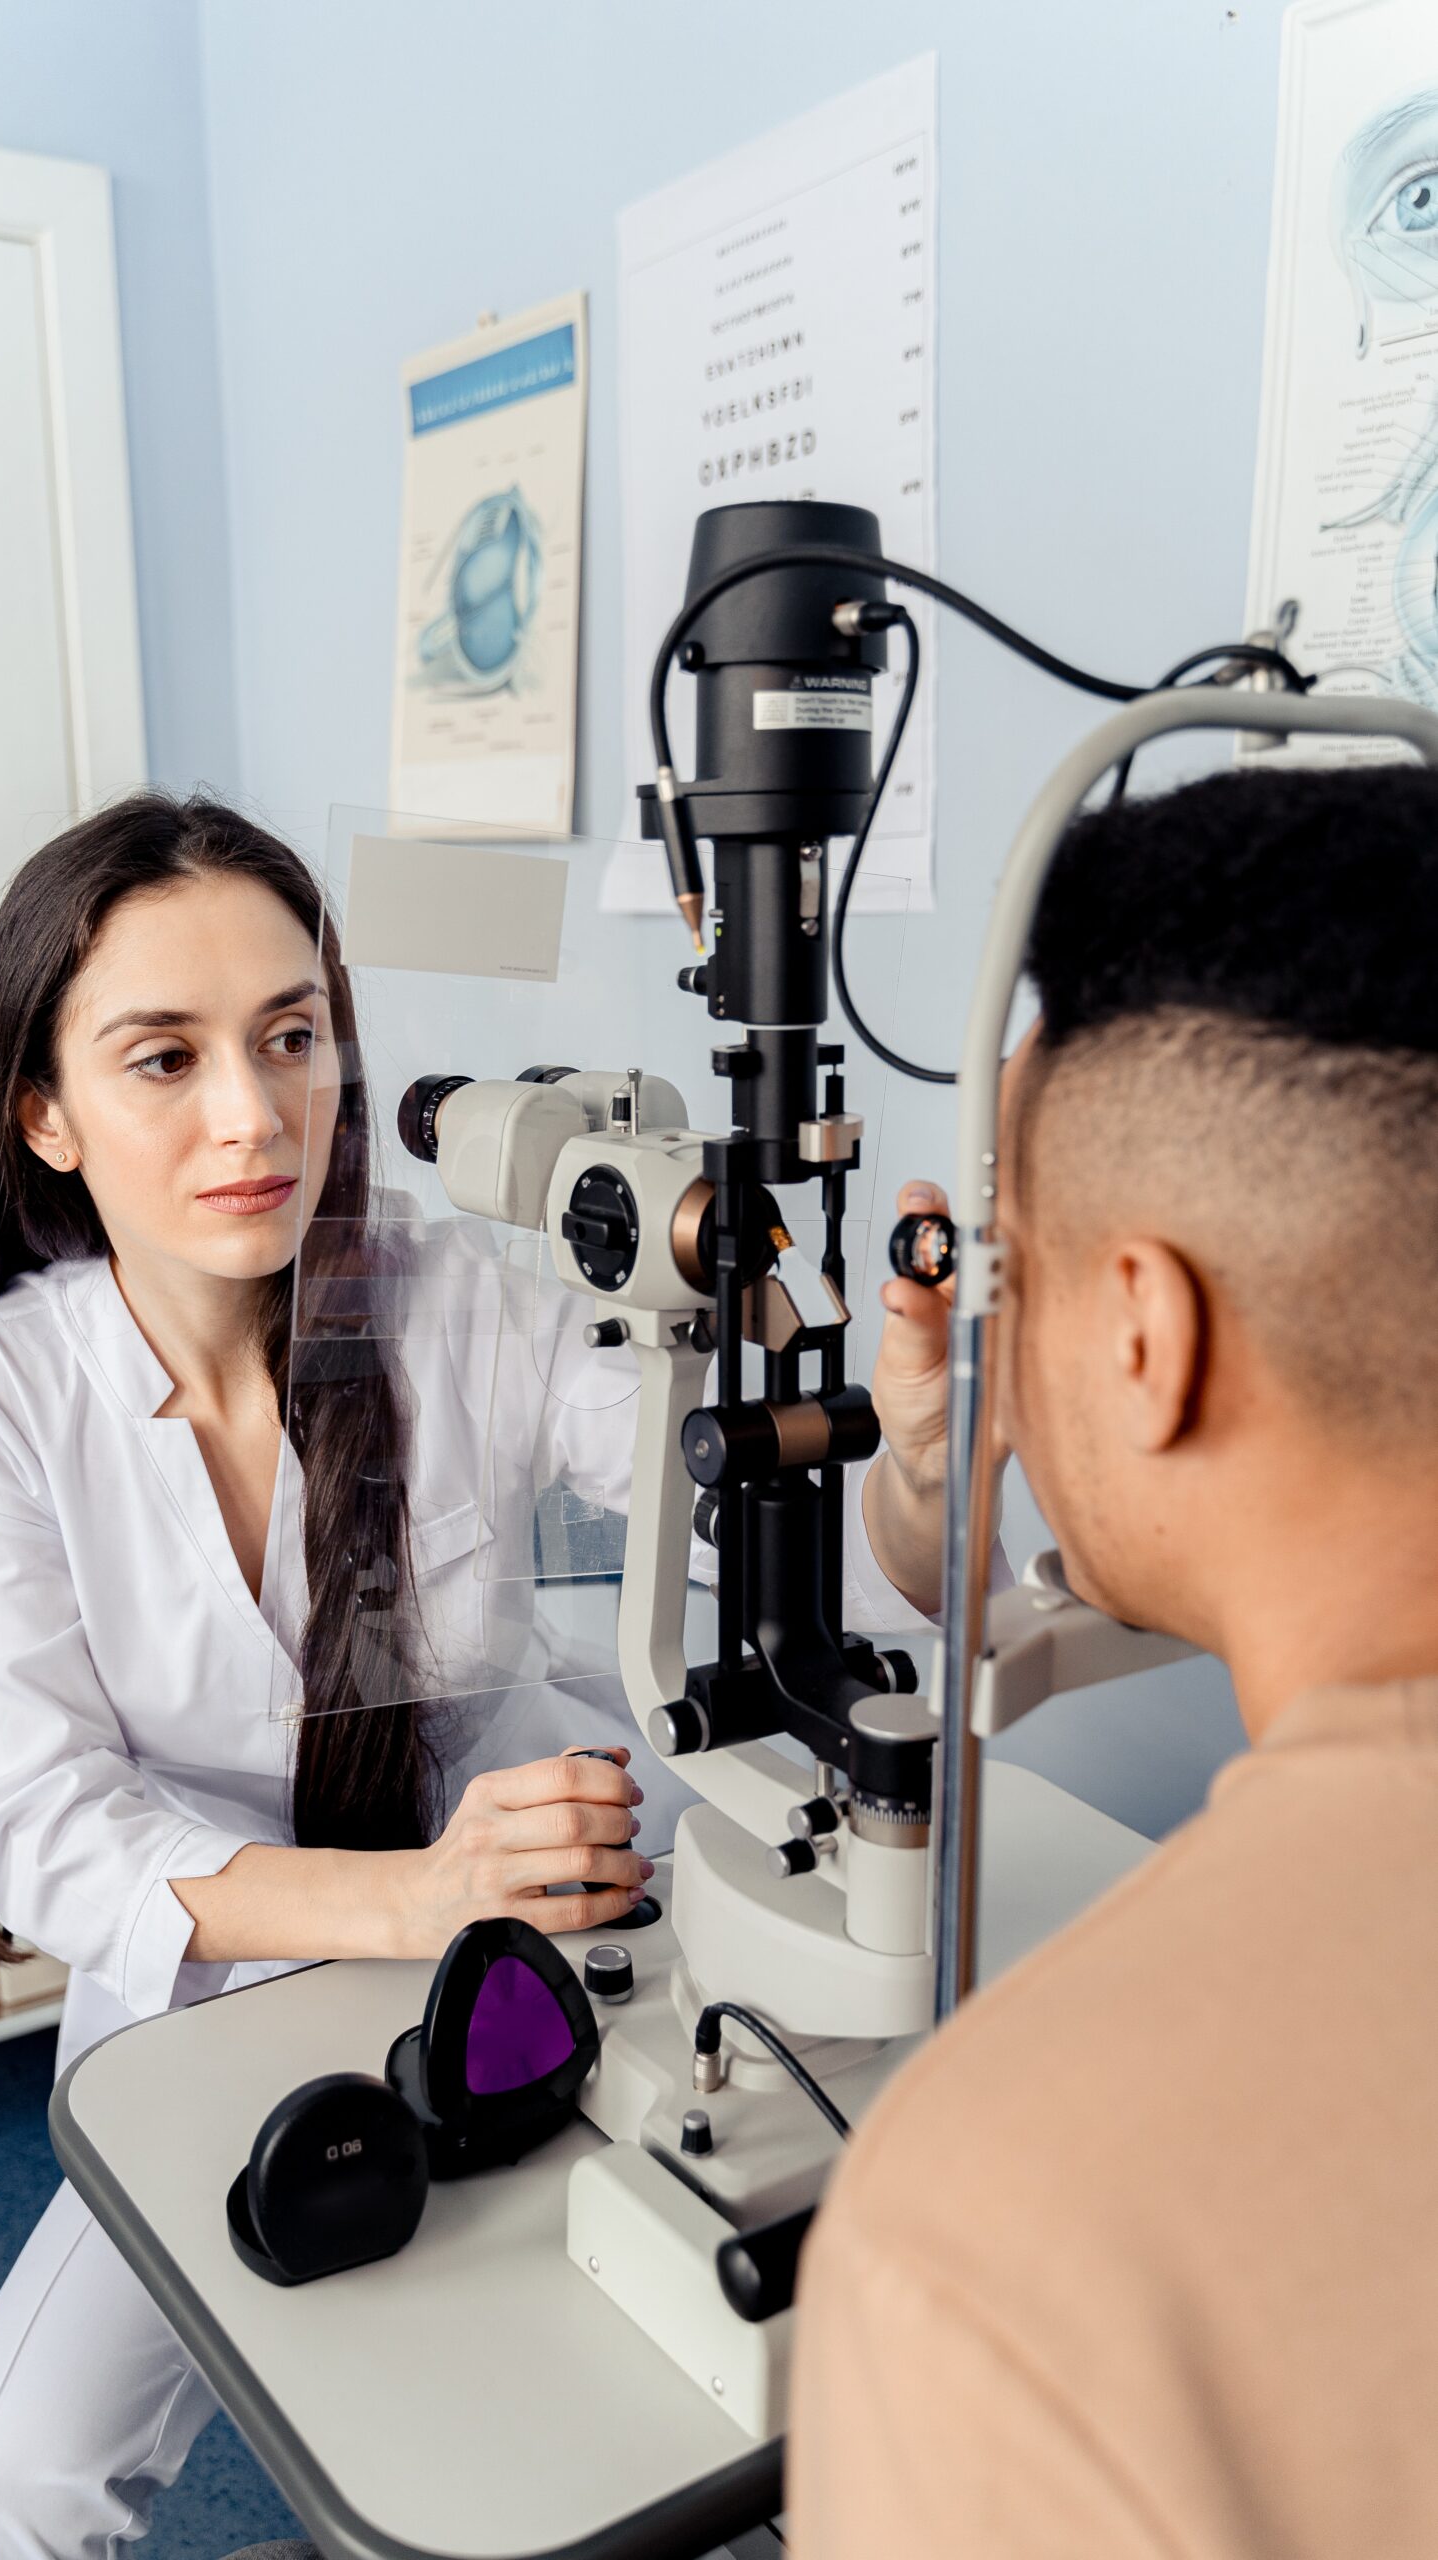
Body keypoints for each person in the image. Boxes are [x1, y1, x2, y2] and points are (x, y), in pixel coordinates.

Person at [0, 793, 953, 2559]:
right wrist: (426, 1897)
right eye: (162, 1059)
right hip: (209, 2000)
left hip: (556, 1946)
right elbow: (42, 1825)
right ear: (48, 1114)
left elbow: (768, 1540)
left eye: (292, 1037)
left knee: (698, 2415)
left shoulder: (452, 1302)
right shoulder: (6, 1390)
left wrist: (905, 1455)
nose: (256, 1117)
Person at [792, 764, 1438, 2559]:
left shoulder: (1005, 2228)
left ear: (1145, 1330)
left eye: (1009, 1267)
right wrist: (952, 1456)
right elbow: (976, 1583)